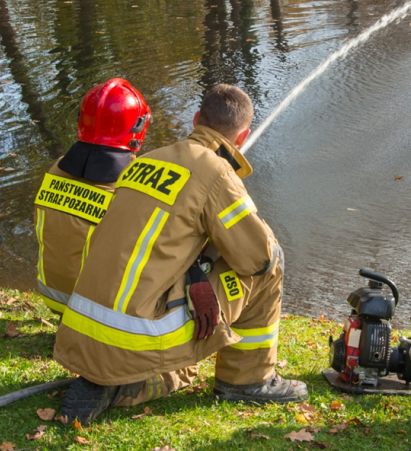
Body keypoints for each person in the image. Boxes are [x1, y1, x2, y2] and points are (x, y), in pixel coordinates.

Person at [55, 83, 307, 425]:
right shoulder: (217, 173)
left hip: (81, 331)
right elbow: (256, 258)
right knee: (271, 261)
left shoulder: (145, 160)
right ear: (243, 136)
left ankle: (123, 382)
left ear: (195, 119)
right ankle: (248, 381)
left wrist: (197, 270)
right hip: (134, 334)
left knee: (184, 366)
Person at [34, 77, 151, 315]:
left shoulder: (57, 168)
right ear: (137, 127)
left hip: (50, 292)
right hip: (93, 308)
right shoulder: (131, 184)